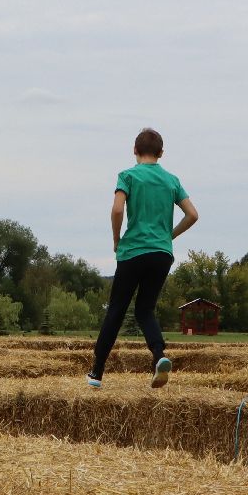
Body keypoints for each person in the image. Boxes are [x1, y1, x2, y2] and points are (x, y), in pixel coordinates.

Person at [87, 127, 198, 389]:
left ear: (135, 151)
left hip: (134, 250)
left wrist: (116, 239)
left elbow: (117, 209)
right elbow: (192, 214)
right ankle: (159, 355)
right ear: (161, 153)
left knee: (116, 310)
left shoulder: (127, 175)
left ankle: (97, 373)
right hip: (162, 253)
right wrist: (169, 236)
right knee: (145, 309)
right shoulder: (172, 180)